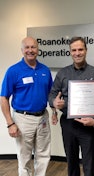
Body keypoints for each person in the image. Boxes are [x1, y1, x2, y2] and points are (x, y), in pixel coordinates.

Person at [49, 36, 94, 176]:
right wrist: (54, 103)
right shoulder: (62, 73)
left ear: (86, 50)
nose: (77, 53)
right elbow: (52, 95)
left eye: (80, 49)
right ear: (70, 52)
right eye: (74, 50)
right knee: (71, 162)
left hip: (88, 125)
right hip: (68, 124)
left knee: (90, 163)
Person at [0, 37, 57, 176]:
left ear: (38, 49)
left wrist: (54, 111)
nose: (30, 50)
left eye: (33, 47)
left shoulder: (45, 70)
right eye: (27, 47)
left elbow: (51, 93)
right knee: (24, 157)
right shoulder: (13, 71)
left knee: (43, 155)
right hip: (22, 119)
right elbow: (3, 98)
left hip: (43, 117)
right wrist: (10, 123)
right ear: (22, 50)